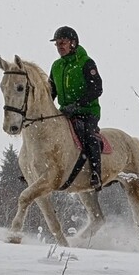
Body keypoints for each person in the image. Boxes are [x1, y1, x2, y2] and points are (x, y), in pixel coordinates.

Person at [47, 26, 104, 191]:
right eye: (57, 44)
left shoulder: (86, 62)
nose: (59, 47)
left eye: (62, 43)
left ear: (73, 43)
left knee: (88, 136)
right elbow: (51, 92)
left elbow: (97, 88)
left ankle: (96, 174)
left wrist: (78, 105)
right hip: (65, 113)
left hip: (87, 113)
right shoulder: (56, 66)